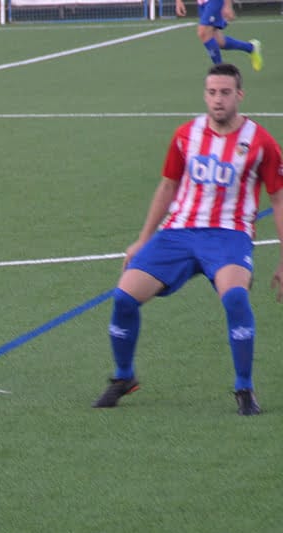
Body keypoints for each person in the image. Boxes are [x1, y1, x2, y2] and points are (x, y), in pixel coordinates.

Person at [92, 63, 283, 415]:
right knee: (123, 298)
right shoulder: (186, 135)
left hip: (229, 235)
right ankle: (123, 377)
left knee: (236, 298)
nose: (218, 99)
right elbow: (167, 186)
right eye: (212, 92)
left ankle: (244, 389)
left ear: (239, 95)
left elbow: (278, 198)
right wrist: (141, 240)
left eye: (225, 92)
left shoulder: (261, 142)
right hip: (178, 233)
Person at [175, 0, 262, 71]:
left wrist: (227, 5)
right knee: (219, 41)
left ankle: (220, 70)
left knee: (203, 33)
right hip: (202, 3)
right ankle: (251, 48)